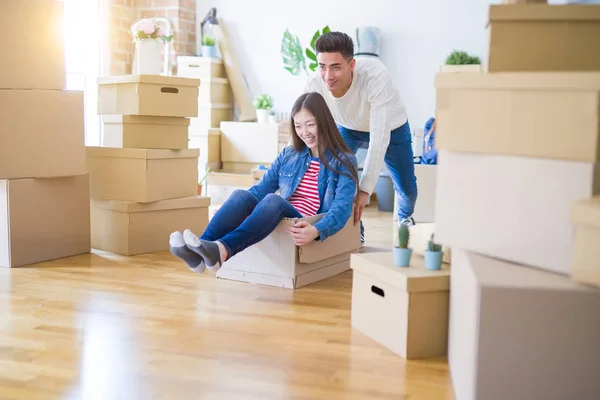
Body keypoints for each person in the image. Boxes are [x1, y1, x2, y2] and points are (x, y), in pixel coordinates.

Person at [169, 92, 359, 273]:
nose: (304, 132)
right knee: (240, 196)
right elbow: (259, 190)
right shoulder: (290, 154)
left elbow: (341, 209)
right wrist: (231, 209)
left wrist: (317, 230)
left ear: (324, 123)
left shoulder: (344, 160)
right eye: (298, 126)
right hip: (281, 216)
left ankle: (223, 249)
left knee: (273, 201)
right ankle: (199, 253)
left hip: (305, 221)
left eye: (310, 125)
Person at [303, 31, 418, 243]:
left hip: (392, 128)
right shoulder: (314, 84)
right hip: (348, 125)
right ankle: (355, 229)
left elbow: (379, 138)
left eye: (336, 67)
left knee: (407, 187)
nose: (328, 76)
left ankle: (404, 217)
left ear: (352, 64)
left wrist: (365, 190)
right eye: (322, 66)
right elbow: (306, 126)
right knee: (333, 172)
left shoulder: (376, 77)